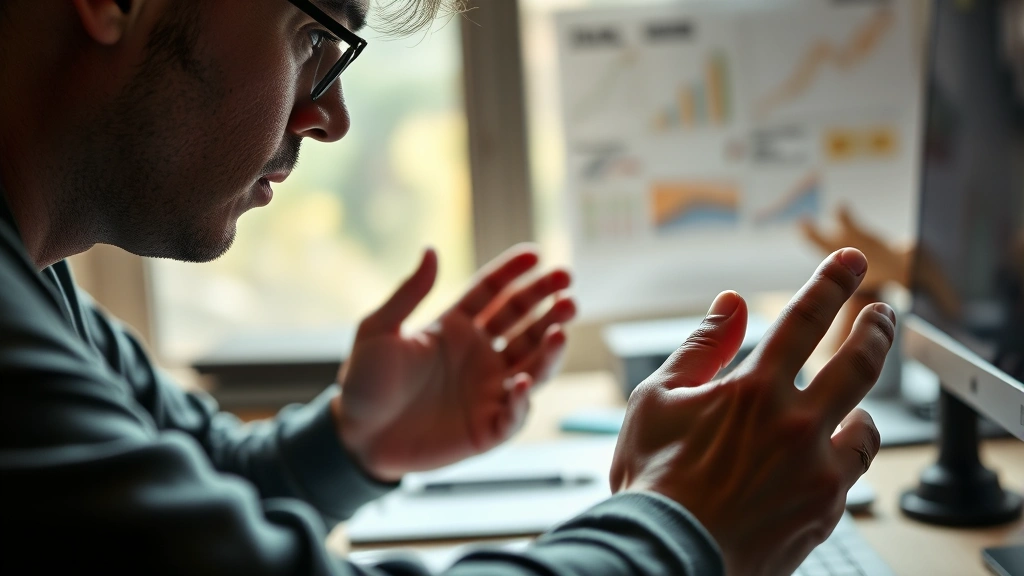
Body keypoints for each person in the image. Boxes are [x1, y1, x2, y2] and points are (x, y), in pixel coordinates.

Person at [0, 1, 896, 574]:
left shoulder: (42, 276)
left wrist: (348, 444)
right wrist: (684, 526)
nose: (331, 116)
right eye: (313, 33)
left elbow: (187, 496)